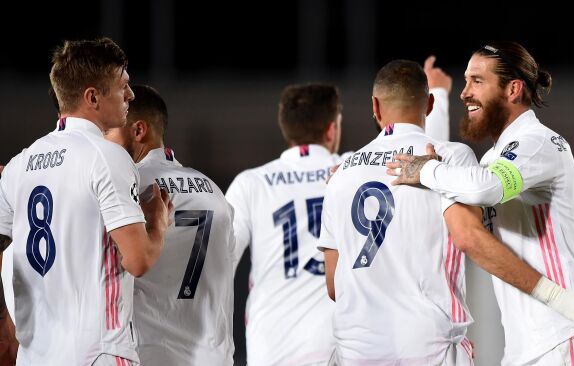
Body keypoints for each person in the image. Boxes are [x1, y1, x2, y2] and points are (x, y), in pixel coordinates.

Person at [319, 59, 574, 365]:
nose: (466, 92)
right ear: (427, 105)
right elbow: (468, 236)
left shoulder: (342, 174)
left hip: (356, 349)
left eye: (477, 81)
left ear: (375, 107)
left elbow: (335, 285)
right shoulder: (452, 159)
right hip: (431, 345)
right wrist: (557, 297)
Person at [0, 37, 171, 366]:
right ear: (92, 96)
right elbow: (138, 261)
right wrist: (158, 223)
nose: (131, 95)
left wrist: (5, 326)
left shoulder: (19, 165)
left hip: (35, 356)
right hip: (98, 352)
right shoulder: (106, 157)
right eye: (123, 85)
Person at [104, 84, 236, 365]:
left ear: (139, 131)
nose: (103, 143)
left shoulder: (129, 184)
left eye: (108, 133)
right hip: (214, 355)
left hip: (151, 352)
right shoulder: (215, 191)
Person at [225, 84, 347, 365]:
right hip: (340, 346)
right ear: (331, 129)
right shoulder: (354, 170)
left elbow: (219, 263)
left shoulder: (251, 183)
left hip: (272, 346)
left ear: (286, 128)